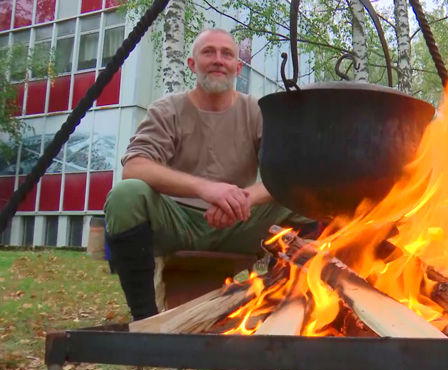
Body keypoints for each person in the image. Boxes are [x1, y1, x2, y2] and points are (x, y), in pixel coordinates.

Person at [104, 27, 316, 321]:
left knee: (309, 198)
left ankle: (285, 306)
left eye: (227, 54)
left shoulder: (257, 111)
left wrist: (243, 199)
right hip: (180, 223)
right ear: (192, 64)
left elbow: (290, 172)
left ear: (238, 67)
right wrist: (207, 189)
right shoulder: (168, 110)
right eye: (208, 52)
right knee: (125, 196)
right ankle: (145, 319)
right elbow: (135, 166)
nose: (218, 60)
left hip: (240, 221)